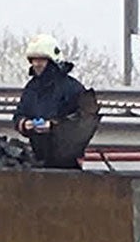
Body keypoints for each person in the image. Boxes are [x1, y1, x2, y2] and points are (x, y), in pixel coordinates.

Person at [14, 34, 97, 170]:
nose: (36, 64)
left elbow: (84, 121)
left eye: (41, 60)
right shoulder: (32, 88)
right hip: (38, 159)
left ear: (52, 60)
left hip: (67, 163)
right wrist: (24, 124)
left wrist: (53, 126)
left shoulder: (72, 88)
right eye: (33, 60)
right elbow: (19, 114)